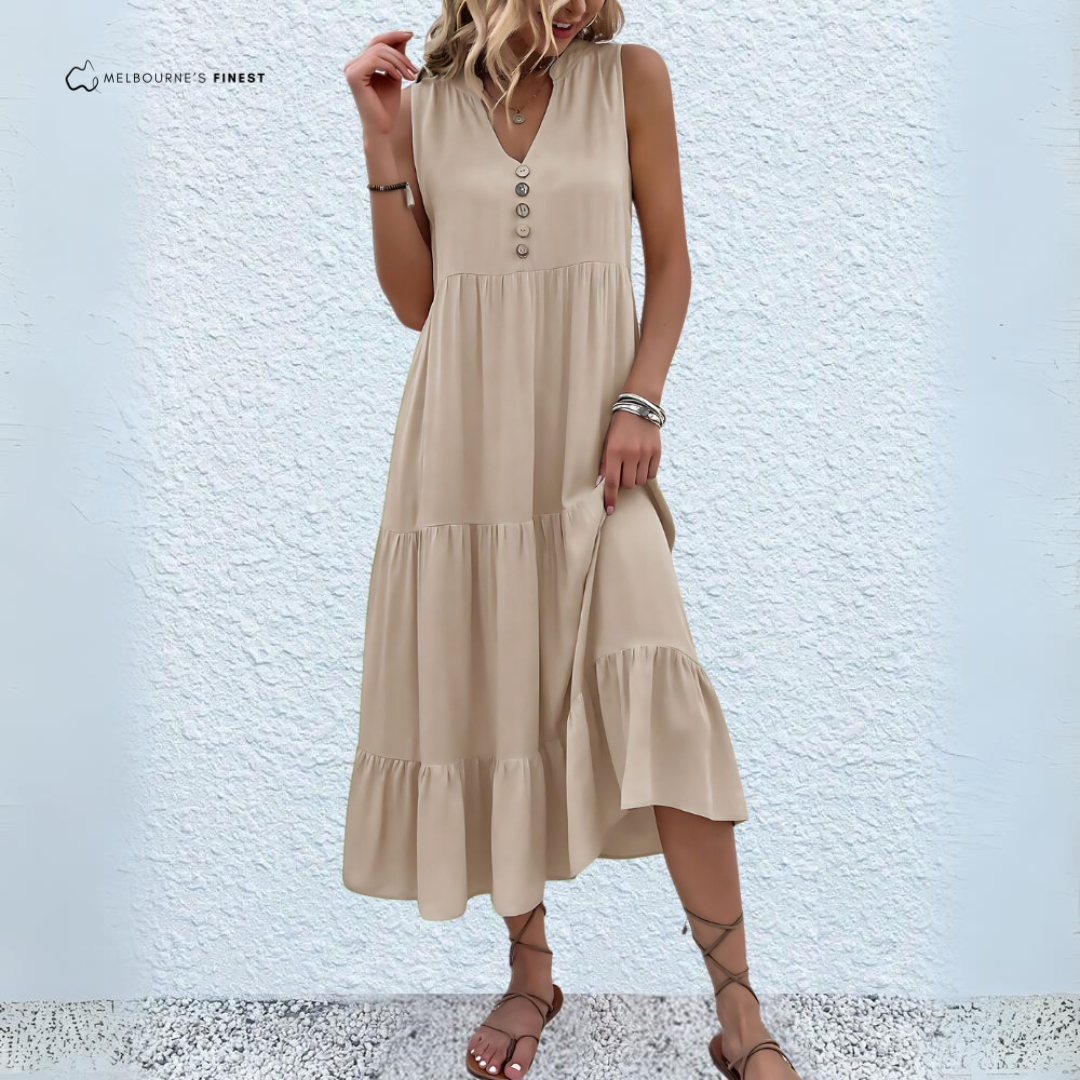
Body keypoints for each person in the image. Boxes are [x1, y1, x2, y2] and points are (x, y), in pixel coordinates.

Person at [341, 4, 802, 1078]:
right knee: (496, 693)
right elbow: (417, 303)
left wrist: (641, 399)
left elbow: (672, 262)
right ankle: (530, 974)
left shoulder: (630, 79)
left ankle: (739, 1015)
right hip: (463, 451)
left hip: (598, 454)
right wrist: (382, 143)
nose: (578, 6)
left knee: (661, 680)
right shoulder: (426, 104)